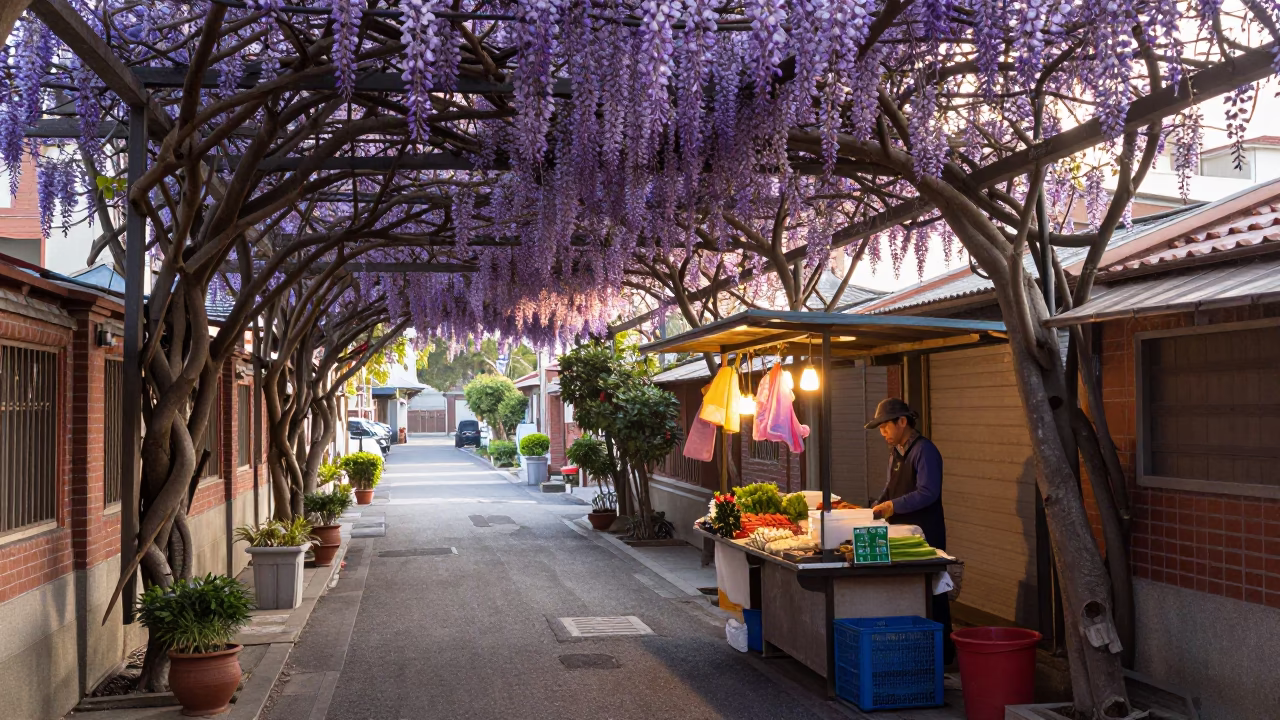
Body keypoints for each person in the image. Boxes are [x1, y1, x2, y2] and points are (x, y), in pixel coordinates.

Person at [864, 397, 955, 664]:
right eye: (879, 428)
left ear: (902, 422)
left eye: (885, 427)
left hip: (926, 536)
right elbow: (890, 487)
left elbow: (928, 492)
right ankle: (914, 649)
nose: (882, 433)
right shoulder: (896, 452)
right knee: (908, 593)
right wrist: (875, 506)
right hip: (902, 535)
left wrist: (892, 506)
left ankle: (941, 655)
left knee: (932, 594)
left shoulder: (925, 451)